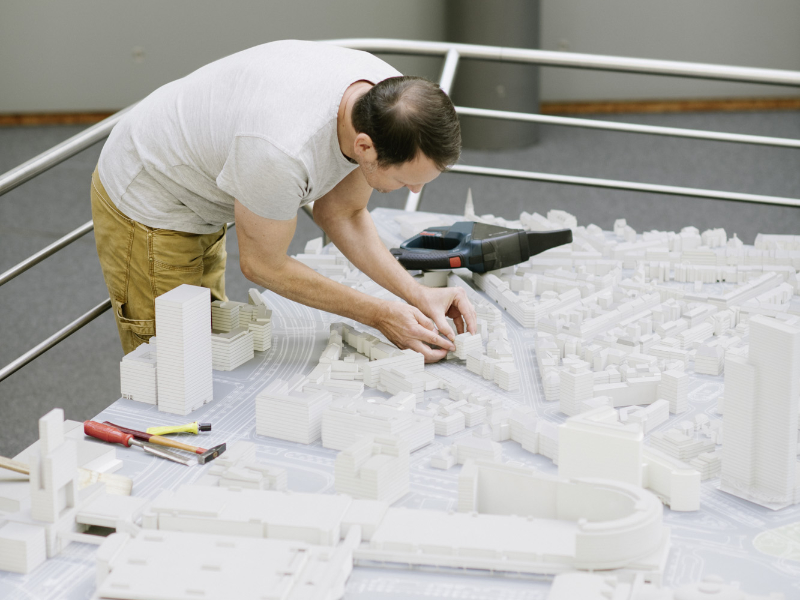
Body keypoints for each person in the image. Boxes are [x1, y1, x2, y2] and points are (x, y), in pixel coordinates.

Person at [90, 39, 476, 362]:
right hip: (152, 193)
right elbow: (263, 265)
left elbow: (342, 212)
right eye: (405, 180)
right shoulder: (280, 153)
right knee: (173, 364)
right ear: (364, 147)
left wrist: (416, 294)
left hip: (203, 178)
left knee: (206, 335)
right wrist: (380, 314)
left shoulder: (385, 100)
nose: (413, 192)